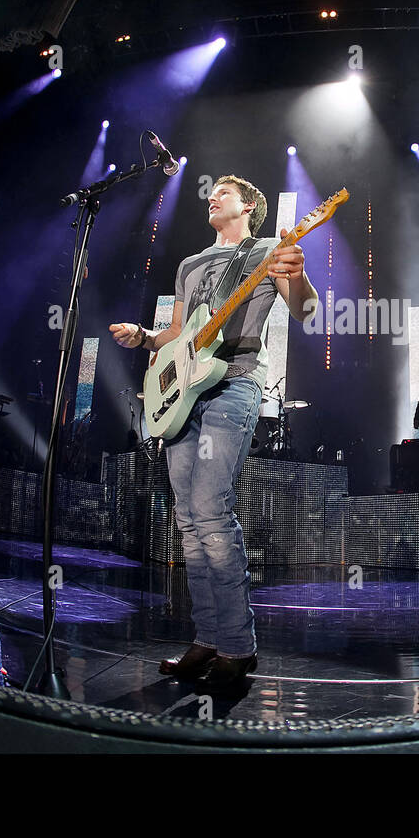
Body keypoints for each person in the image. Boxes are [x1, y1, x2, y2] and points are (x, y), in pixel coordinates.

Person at [110, 175, 317, 692]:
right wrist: (144, 338)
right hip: (186, 396)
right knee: (186, 518)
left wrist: (300, 277)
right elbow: (181, 336)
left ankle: (238, 647)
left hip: (234, 386)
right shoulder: (189, 264)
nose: (210, 197)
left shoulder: (273, 249)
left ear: (249, 205)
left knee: (210, 507)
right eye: (210, 192)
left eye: (221, 192)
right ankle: (206, 637)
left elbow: (306, 311)